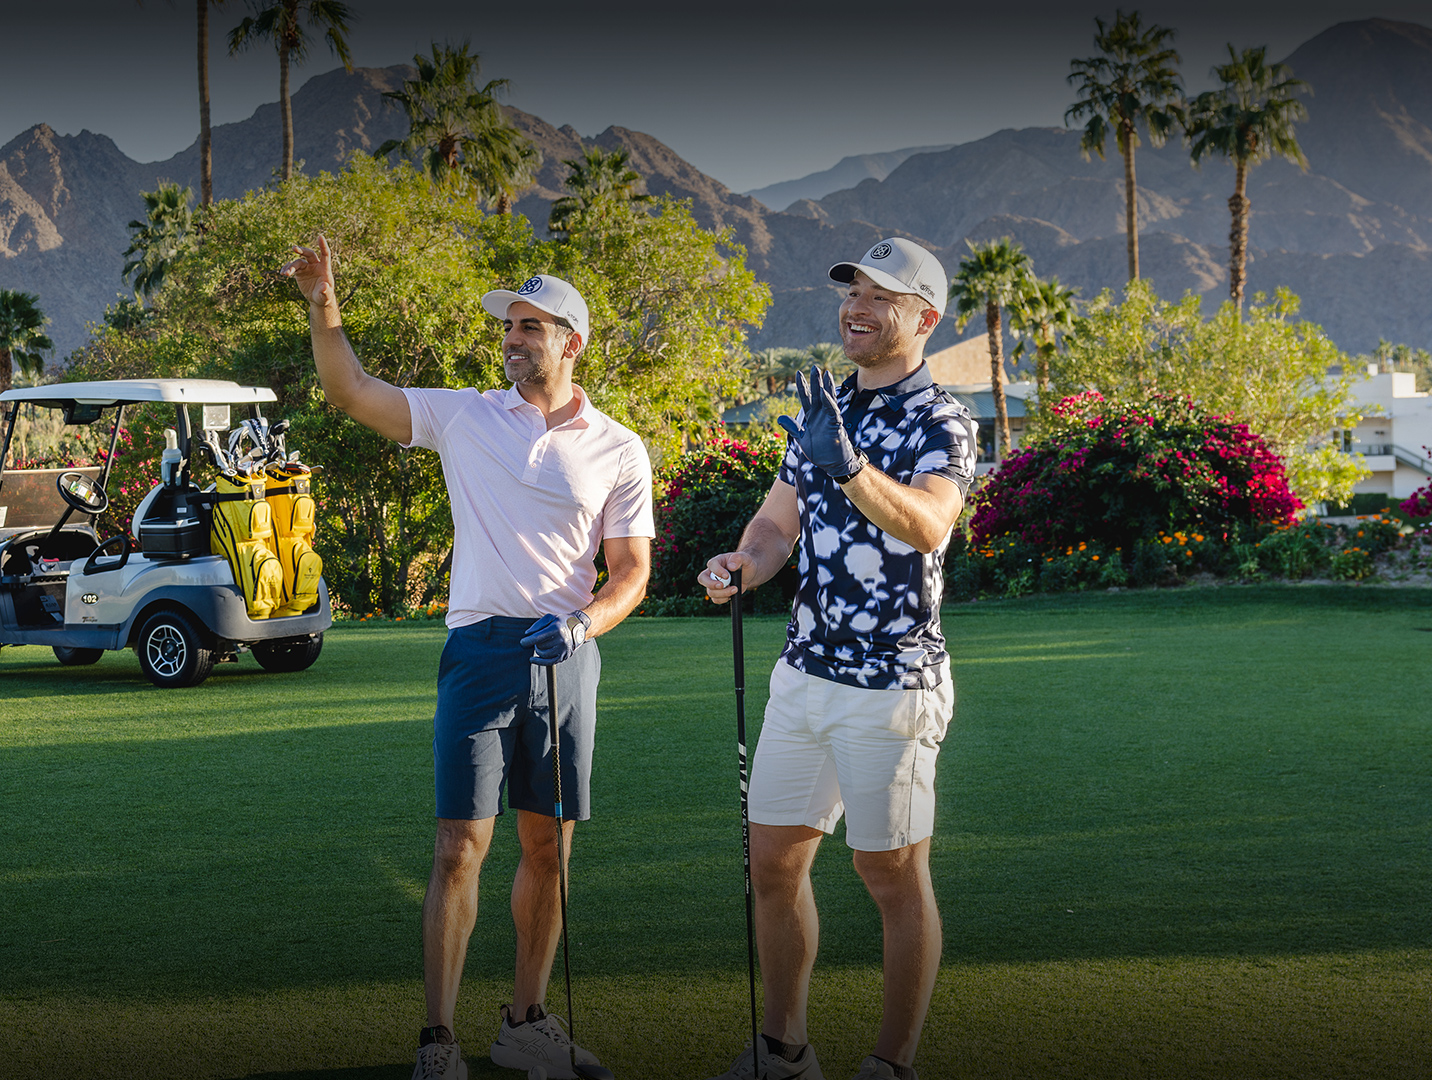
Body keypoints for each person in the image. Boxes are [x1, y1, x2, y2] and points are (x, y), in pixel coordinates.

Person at [282, 237, 653, 1080]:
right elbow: (350, 391)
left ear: (573, 343)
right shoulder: (465, 414)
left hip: (565, 654)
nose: (514, 339)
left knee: (549, 849)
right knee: (459, 846)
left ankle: (525, 1021)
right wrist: (322, 301)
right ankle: (438, 1040)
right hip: (479, 652)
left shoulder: (620, 448)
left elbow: (631, 574)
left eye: (531, 327)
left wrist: (584, 625)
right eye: (509, 327)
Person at [699, 238, 977, 1080]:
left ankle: (893, 1063)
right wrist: (743, 561)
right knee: (772, 862)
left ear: (922, 318)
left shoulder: (945, 418)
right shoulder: (825, 406)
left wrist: (849, 465)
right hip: (802, 676)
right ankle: (783, 1048)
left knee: (888, 871)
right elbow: (777, 522)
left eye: (880, 296)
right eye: (852, 291)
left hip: (891, 683)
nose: (855, 307)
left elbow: (929, 524)